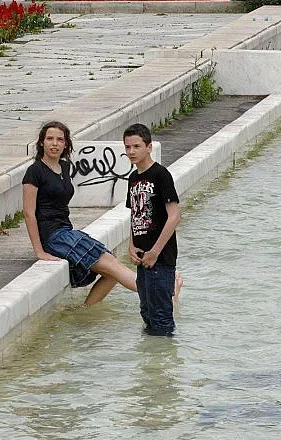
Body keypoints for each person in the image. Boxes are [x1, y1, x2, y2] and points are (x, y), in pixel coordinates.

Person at [22, 121, 139, 305]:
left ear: (66, 144)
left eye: (60, 139)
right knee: (114, 267)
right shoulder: (34, 171)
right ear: (41, 143)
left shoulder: (65, 166)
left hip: (66, 231)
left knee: (112, 270)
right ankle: (162, 293)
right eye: (50, 139)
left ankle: (84, 311)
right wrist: (39, 251)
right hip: (53, 236)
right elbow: (29, 214)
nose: (54, 143)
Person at [124, 123, 182, 336]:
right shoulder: (133, 178)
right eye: (128, 147)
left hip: (161, 258)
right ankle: (149, 364)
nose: (131, 151)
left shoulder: (160, 175)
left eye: (136, 146)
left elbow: (174, 216)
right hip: (142, 257)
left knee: (161, 318)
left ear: (148, 147)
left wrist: (155, 253)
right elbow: (134, 214)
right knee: (146, 312)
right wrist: (131, 246)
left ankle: (165, 364)